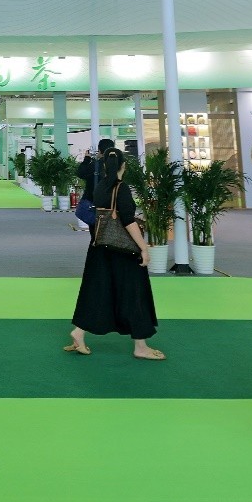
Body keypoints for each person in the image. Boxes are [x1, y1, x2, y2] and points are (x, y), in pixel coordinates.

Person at [66, 146, 164, 361]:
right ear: (123, 166)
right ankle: (140, 347)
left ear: (104, 166)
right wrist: (144, 248)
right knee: (135, 293)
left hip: (100, 247)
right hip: (122, 251)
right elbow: (128, 221)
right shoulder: (122, 188)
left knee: (99, 291)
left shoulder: (101, 187)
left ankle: (79, 332)